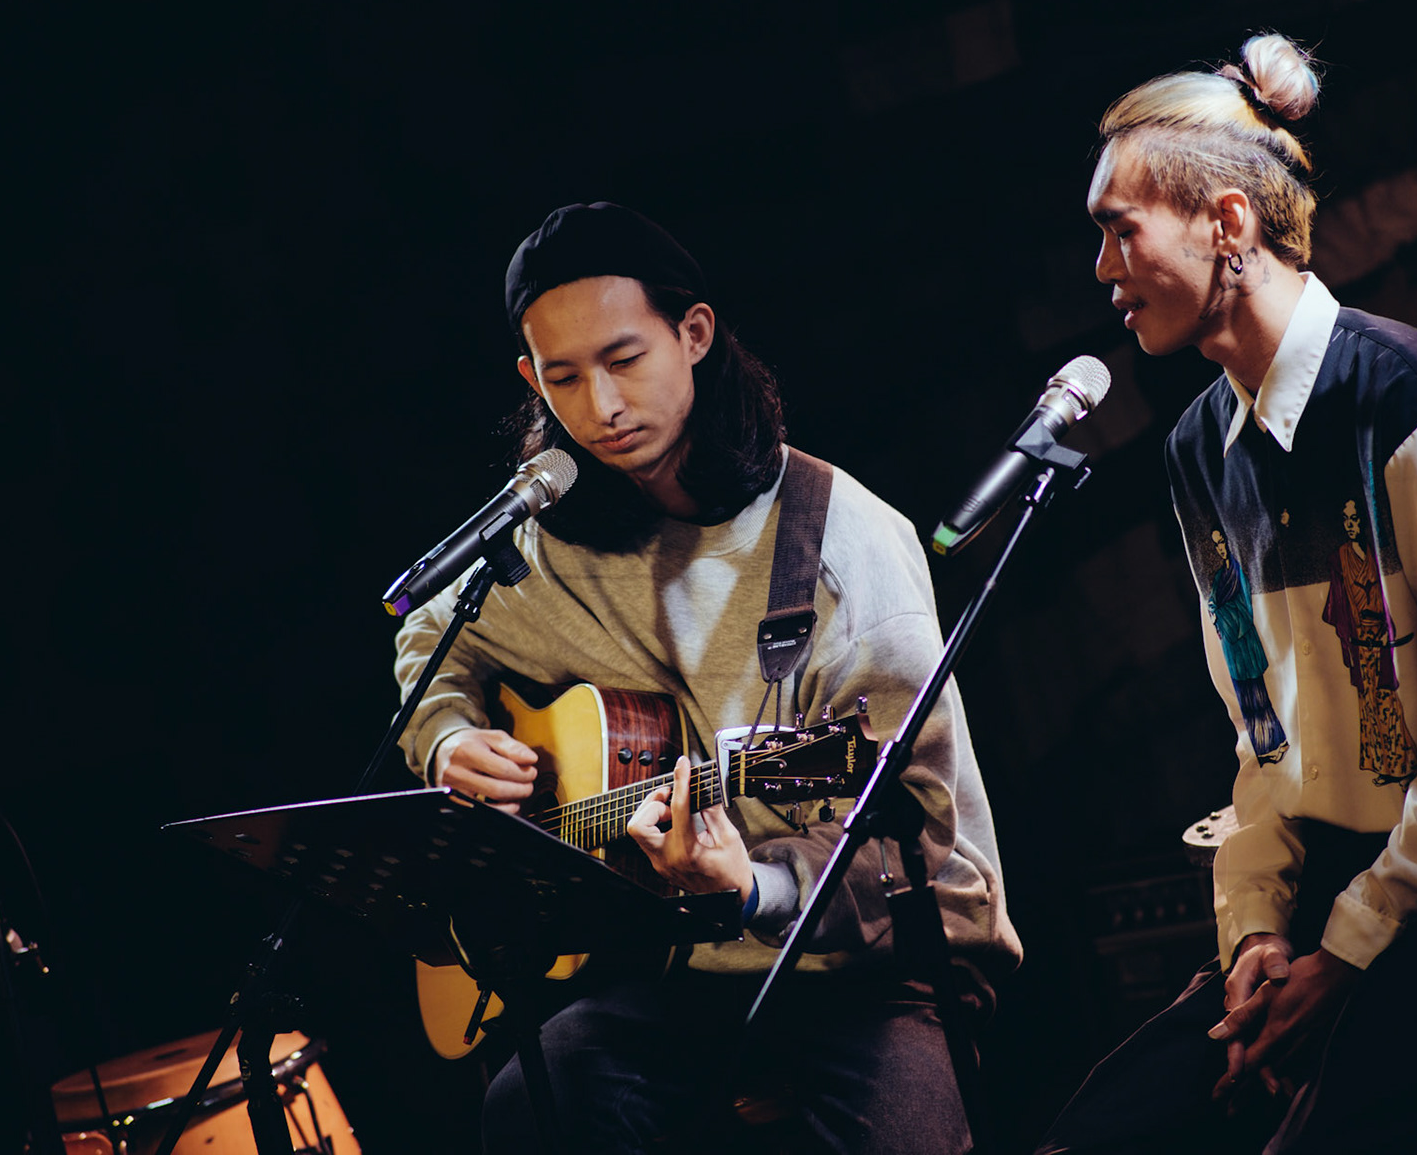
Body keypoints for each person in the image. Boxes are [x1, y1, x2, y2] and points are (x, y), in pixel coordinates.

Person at [1036, 35, 1417, 1153]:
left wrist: (1348, 949)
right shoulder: (1198, 448)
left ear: (1227, 224)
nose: (1102, 268)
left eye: (1120, 229)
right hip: (1338, 895)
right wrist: (1255, 935)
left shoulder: (1408, 400)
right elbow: (1264, 744)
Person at [393, 202, 1021, 1154]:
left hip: (872, 969)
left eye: (624, 359)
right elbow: (431, 640)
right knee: (532, 1103)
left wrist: (755, 888)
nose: (601, 406)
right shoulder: (547, 549)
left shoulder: (842, 551)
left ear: (694, 334)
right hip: (671, 967)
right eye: (564, 378)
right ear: (530, 379)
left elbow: (938, 862)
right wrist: (446, 737)